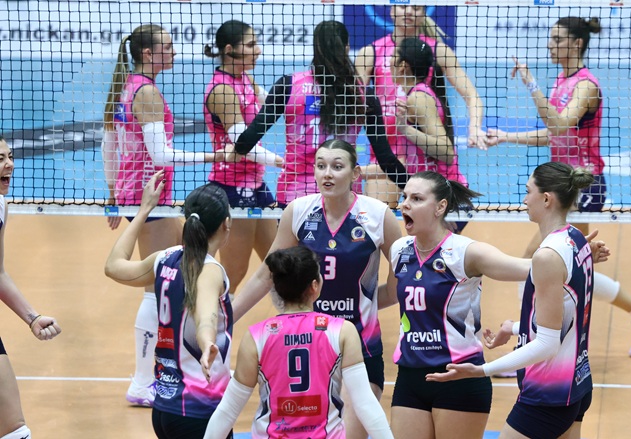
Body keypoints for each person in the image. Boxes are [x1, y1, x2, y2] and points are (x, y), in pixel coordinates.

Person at [380, 170, 608, 439]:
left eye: (416, 198)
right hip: (410, 375)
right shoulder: (400, 250)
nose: (405, 204)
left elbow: (528, 269)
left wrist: (568, 259)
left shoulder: (466, 252)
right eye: (405, 197)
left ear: (440, 207)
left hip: (460, 374)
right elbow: (389, 295)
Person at [486, 16, 631, 357]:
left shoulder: (586, 86)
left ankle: (533, 344)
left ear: (576, 43)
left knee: (550, 264)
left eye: (557, 39)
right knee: (561, 266)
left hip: (584, 187)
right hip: (563, 186)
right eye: (550, 38)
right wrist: (506, 137)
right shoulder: (561, 81)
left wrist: (531, 85)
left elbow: (560, 125)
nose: (550, 45)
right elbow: (555, 135)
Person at [231, 139, 402, 439]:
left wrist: (367, 303)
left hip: (360, 346)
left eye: (337, 166)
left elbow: (402, 283)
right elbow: (265, 275)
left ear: (355, 174)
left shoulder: (378, 215)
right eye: (321, 166)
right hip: (310, 347)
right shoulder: (298, 211)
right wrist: (226, 319)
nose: (327, 173)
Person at [101, 24, 225, 406]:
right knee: (155, 288)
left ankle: (165, 369)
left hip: (138, 195)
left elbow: (109, 142)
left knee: (173, 276)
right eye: (167, 47)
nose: (173, 52)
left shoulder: (127, 86)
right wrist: (215, 155)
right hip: (149, 198)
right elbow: (161, 156)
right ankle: (142, 383)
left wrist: (113, 192)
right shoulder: (147, 92)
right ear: (148, 54)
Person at [203, 245, 395, 439]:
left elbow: (227, 411)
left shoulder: (256, 336)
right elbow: (365, 405)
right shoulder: (342, 331)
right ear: (314, 286)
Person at [105, 170, 233, 439]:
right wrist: (207, 343)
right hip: (199, 411)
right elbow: (205, 317)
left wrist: (143, 211)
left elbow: (114, 266)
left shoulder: (165, 258)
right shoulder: (210, 271)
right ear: (226, 224)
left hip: (164, 409)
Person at [233, 20, 409, 207]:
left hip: (295, 197)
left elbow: (251, 135)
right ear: (346, 48)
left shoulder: (288, 86)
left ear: (315, 49)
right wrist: (412, 188)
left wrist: (237, 149)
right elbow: (386, 159)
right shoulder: (363, 94)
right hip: (343, 197)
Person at [355, 5, 486, 207]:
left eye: (416, 8)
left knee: (428, 217)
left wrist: (474, 128)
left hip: (424, 153)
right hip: (385, 154)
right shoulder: (370, 53)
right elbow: (356, 103)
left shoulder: (436, 52)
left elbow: (471, 95)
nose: (409, 12)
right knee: (376, 217)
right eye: (403, 6)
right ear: (392, 10)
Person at [203, 20, 283, 301]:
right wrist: (284, 162)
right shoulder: (222, 89)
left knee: (281, 264)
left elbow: (273, 104)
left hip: (256, 185)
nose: (258, 50)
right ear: (229, 50)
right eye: (250, 45)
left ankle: (294, 322)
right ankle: (209, 324)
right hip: (232, 189)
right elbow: (242, 143)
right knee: (233, 274)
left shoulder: (245, 79)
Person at [0, 136, 62, 439]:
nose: (9, 164)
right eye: (0, 159)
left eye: (9, 156)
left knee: (14, 428)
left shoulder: (0, 206)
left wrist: (32, 317)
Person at [387, 37, 470, 233]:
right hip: (435, 196)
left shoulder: (419, 98)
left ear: (403, 66)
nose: (389, 61)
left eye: (393, 57)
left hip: (446, 200)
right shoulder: (415, 95)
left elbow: (446, 151)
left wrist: (405, 129)